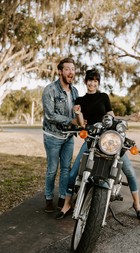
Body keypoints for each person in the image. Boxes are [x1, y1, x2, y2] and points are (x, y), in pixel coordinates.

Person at [56, 68, 140, 220]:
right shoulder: (80, 101)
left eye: (95, 81)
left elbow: (111, 117)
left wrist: (128, 117)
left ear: (98, 83)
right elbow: (81, 123)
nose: (92, 83)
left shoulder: (103, 97)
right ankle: (67, 204)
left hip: (109, 138)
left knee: (129, 170)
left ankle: (137, 204)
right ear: (86, 81)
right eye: (90, 80)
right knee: (73, 173)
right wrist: (77, 113)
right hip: (92, 139)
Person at [42, 57, 80, 213]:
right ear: (60, 72)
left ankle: (63, 199)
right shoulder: (50, 89)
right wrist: (71, 121)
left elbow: (78, 113)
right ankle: (48, 198)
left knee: (66, 169)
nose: (71, 72)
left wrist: (80, 123)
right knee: (52, 168)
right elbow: (50, 115)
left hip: (69, 137)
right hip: (52, 136)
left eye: (72, 69)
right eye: (67, 69)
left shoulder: (75, 91)